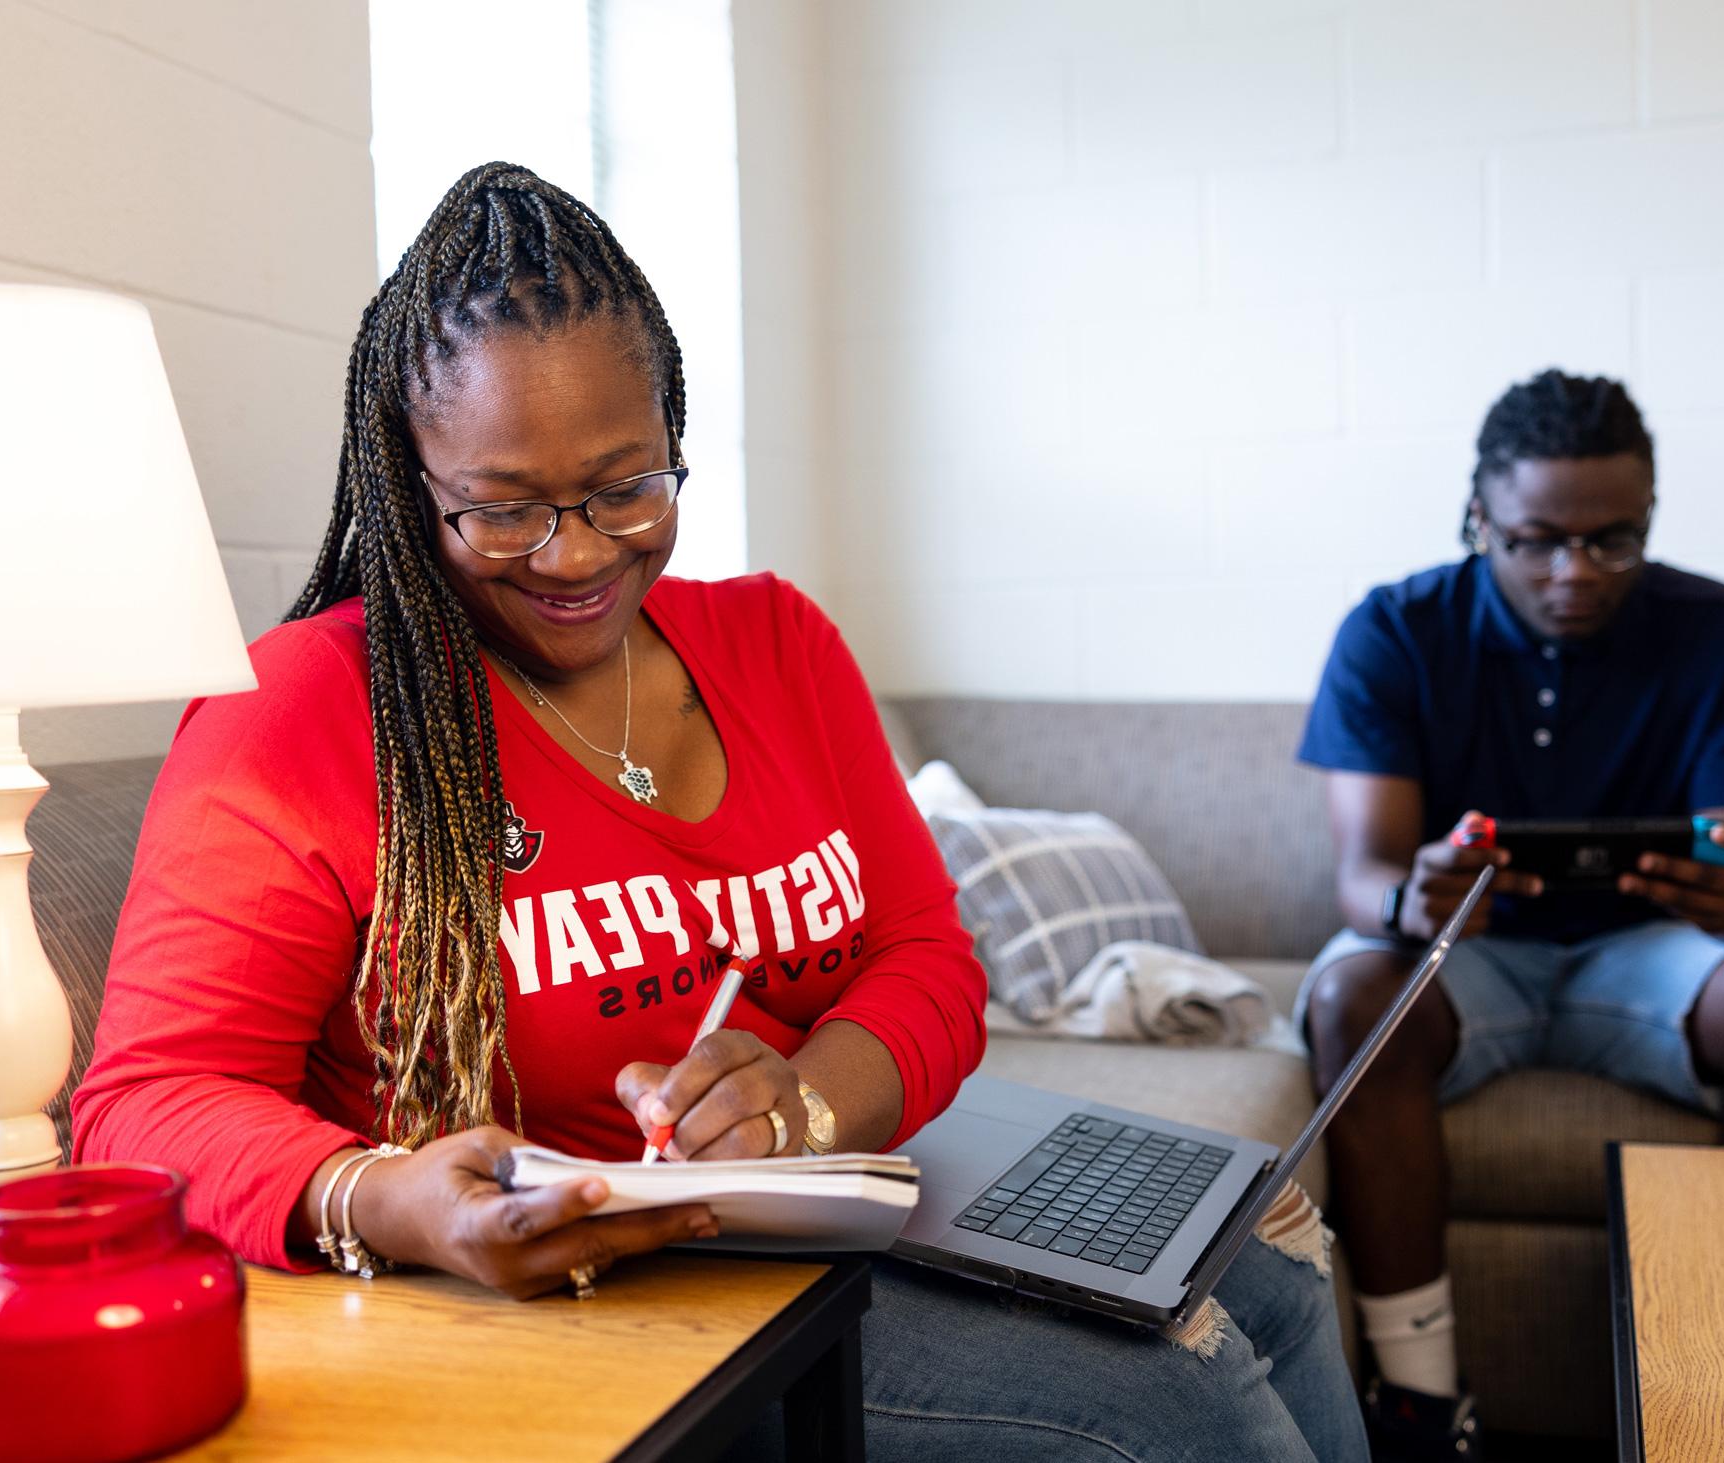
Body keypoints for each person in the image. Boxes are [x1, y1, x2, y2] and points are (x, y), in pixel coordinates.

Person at [73, 162, 1367, 1462]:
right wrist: (394, 1198)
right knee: (1183, 1399)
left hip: (823, 1201)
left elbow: (925, 952)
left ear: (676, 440)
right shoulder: (303, 709)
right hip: (563, 1281)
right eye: (504, 509)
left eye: (627, 487)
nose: (576, 554)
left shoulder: (773, 639)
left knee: (1274, 1274)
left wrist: (801, 1106)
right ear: (413, 491)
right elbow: (148, 1097)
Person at [1296, 369, 1724, 1460]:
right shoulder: (1392, 628)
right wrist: (1408, 894)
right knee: (1350, 992)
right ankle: (1417, 1405)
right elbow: (1362, 874)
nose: (1574, 572)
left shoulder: (1717, 628)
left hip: (1649, 954)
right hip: (1461, 957)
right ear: (1476, 517)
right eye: (1536, 540)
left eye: (1613, 540)